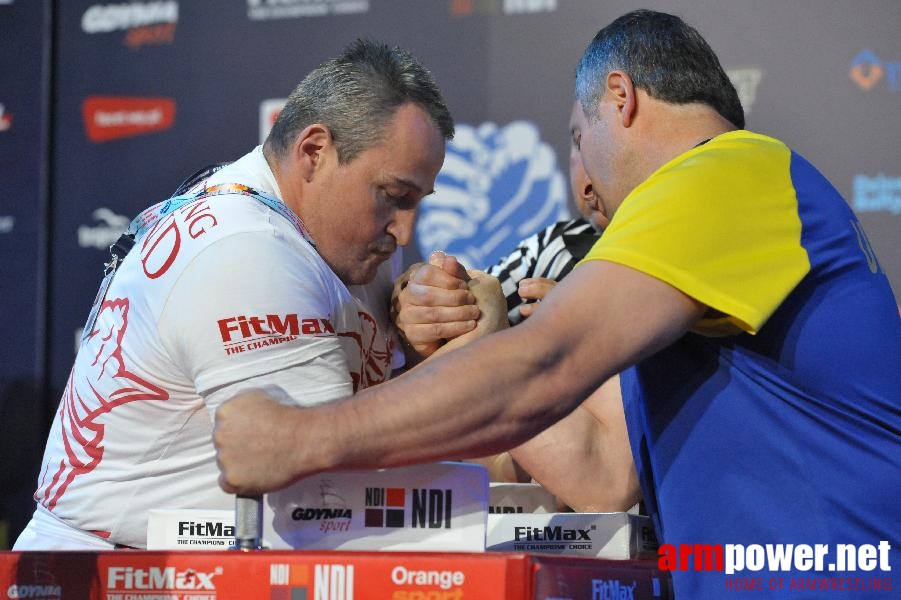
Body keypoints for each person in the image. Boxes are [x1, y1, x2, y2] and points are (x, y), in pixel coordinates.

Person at [214, 10, 901, 596]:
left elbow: (543, 369)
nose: (583, 190)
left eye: (578, 137)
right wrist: (481, 334)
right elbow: (598, 471)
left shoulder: (726, 172)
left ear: (620, 98)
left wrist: (301, 437)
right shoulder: (702, 270)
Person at [14, 39, 456, 550]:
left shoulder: (332, 232)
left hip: (189, 562)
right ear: (314, 152)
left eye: (416, 202)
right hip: (119, 573)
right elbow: (328, 491)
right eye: (394, 197)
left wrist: (423, 330)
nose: (405, 231)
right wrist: (474, 351)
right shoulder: (248, 248)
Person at [397, 100, 639, 511]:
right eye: (576, 144)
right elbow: (469, 310)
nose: (585, 183)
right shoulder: (557, 245)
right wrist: (420, 298)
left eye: (598, 142)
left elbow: (611, 483)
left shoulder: (681, 275)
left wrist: (549, 350)